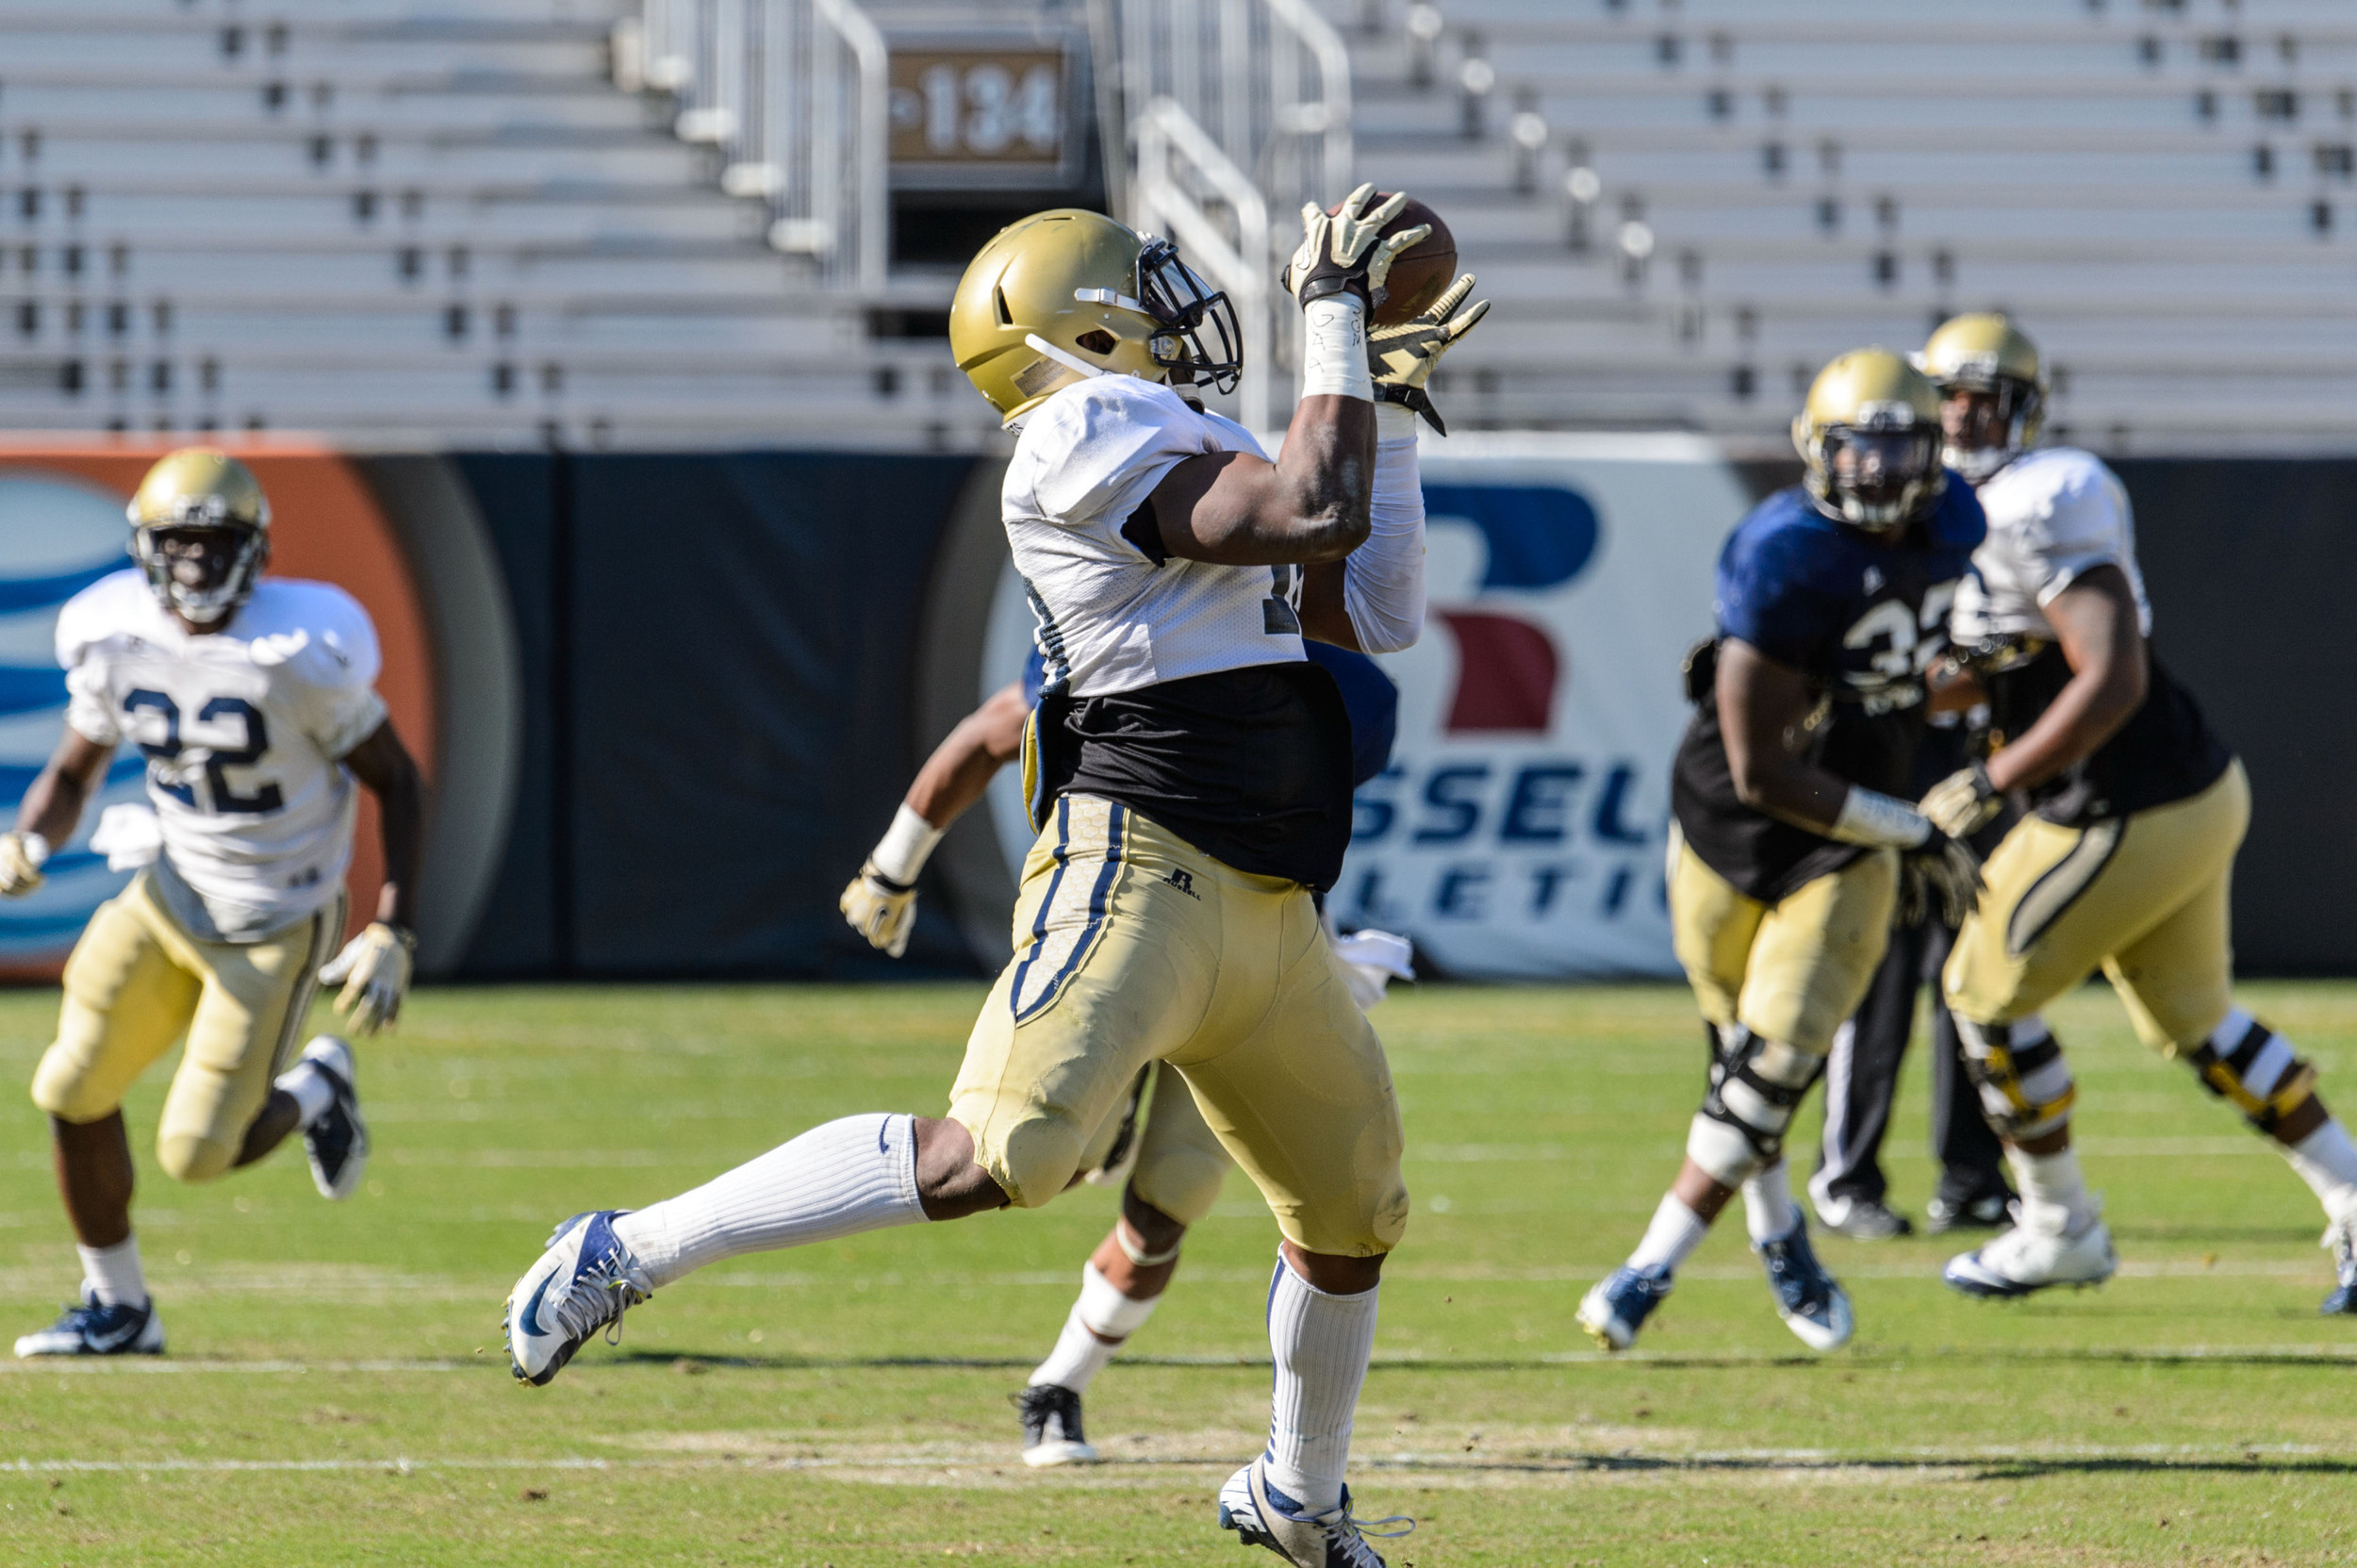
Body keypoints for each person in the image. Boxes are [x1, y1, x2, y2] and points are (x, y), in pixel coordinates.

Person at [505, 190, 1487, 1568]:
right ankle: (629, 1245)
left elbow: (1369, 604)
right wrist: (1330, 320)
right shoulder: (1080, 426)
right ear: (1079, 326)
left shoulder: (1175, 431)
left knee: (1350, 1212)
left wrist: (1375, 390)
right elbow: (1314, 504)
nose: (1180, 303)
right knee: (1003, 1155)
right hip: (1140, 859)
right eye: (1144, 285)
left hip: (1272, 898)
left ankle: (1296, 1493)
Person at [839, 642, 1412, 1467]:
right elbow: (989, 734)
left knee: (1169, 1200)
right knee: (1031, 1156)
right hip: (1129, 933)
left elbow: (1290, 849)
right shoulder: (1140, 642)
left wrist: (1319, 952)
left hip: (1249, 962)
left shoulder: (1348, 694)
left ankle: (1059, 1385)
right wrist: (892, 867)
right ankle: (648, 1246)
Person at [1916, 314, 2357, 1311]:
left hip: (2121, 800)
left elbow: (2110, 677)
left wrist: (1992, 779)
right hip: (2181, 789)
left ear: (2023, 408)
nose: (1960, 415)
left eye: (1981, 395)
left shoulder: (2043, 496)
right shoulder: (1950, 512)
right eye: (1945, 394)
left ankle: (2057, 1223)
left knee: (1981, 992)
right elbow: (1991, 666)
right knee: (2197, 1024)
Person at [1575, 350, 1986, 1354]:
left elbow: (1928, 660)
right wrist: (1913, 825)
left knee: (1772, 1063)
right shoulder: (1782, 550)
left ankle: (1648, 1265)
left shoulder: (1957, 528)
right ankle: (1781, 1234)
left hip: (1839, 853)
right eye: (1863, 444)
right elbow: (1761, 769)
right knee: (1739, 1062)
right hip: (1733, 826)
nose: (1883, 469)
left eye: (1903, 442)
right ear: (1817, 450)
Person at [0, 450, 424, 1358]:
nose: (195, 564)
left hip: (275, 921)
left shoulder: (300, 650)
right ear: (144, 549)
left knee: (197, 1153)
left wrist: (394, 922)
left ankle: (317, 1084)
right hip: (166, 896)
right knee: (69, 1087)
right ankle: (119, 1306)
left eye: (215, 542)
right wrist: (30, 838)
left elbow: (399, 779)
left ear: (257, 551)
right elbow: (74, 768)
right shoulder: (114, 633)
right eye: (178, 543)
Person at [1807, 711, 2016, 1241]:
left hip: (1972, 759)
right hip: (1894, 749)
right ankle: (1846, 1180)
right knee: (1879, 979)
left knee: (1974, 986)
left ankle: (1971, 1179)